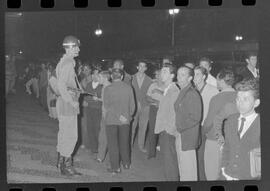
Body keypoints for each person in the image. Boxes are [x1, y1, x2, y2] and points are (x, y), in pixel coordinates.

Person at [220, 79, 260, 180]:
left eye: (245, 99)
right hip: (228, 176)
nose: (240, 103)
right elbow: (227, 147)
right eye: (238, 99)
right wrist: (223, 169)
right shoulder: (231, 120)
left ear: (256, 103)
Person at [55, 35, 82, 176]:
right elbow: (61, 85)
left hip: (63, 102)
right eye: (76, 47)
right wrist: (71, 102)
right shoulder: (68, 63)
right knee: (71, 136)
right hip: (67, 103)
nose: (78, 49)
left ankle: (60, 163)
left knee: (64, 134)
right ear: (70, 47)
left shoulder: (62, 61)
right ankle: (67, 167)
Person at [202, 69, 236, 180]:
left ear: (222, 81)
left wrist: (202, 132)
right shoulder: (239, 96)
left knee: (212, 171)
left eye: (217, 79)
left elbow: (209, 122)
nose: (216, 82)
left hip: (215, 139)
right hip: (233, 140)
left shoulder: (217, 98)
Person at [103, 68, 135, 174]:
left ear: (112, 77)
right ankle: (126, 164)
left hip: (111, 120)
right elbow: (133, 107)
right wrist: (128, 117)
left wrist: (118, 115)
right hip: (125, 121)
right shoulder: (129, 88)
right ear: (122, 77)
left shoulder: (108, 88)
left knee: (113, 144)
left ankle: (115, 167)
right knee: (124, 143)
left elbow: (107, 106)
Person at [174, 66, 202, 181]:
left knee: (188, 172)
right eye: (178, 74)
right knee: (183, 168)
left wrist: (180, 127)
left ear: (190, 78)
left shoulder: (192, 93)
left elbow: (196, 117)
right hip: (181, 134)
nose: (179, 77)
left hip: (187, 137)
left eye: (183, 75)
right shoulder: (183, 91)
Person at [154, 64, 180, 181]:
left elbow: (175, 114)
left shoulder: (174, 90)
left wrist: (168, 130)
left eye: (165, 72)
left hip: (168, 132)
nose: (161, 74)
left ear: (172, 75)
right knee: (167, 162)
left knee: (170, 163)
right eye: (161, 72)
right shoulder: (168, 89)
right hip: (164, 130)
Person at [193, 66, 219, 180]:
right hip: (193, 127)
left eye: (197, 74)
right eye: (193, 74)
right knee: (194, 156)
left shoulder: (213, 90)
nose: (194, 76)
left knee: (203, 157)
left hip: (206, 128)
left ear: (204, 76)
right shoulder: (192, 89)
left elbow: (216, 112)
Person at [131, 61, 153, 153]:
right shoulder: (131, 78)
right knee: (132, 126)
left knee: (143, 127)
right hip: (134, 106)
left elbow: (151, 94)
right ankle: (129, 144)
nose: (141, 68)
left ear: (146, 68)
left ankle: (141, 146)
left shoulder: (149, 80)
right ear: (137, 67)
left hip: (145, 106)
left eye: (144, 66)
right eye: (140, 66)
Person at [146, 69, 165, 159]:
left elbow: (170, 98)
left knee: (162, 131)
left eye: (158, 75)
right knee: (152, 130)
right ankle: (151, 153)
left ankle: (163, 151)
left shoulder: (167, 86)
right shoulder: (152, 85)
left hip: (163, 110)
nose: (156, 76)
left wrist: (160, 92)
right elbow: (147, 97)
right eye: (156, 74)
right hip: (153, 109)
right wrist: (155, 101)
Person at [83, 68, 103, 154]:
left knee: (97, 128)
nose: (95, 76)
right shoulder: (88, 84)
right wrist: (90, 100)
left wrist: (94, 100)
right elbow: (86, 96)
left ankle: (98, 146)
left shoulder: (102, 86)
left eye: (97, 75)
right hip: (89, 109)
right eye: (94, 74)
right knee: (89, 127)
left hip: (98, 110)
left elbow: (102, 99)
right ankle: (92, 147)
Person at [96, 71, 111, 163]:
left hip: (107, 116)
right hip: (105, 114)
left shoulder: (108, 87)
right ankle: (101, 156)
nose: (98, 79)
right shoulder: (105, 87)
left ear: (105, 78)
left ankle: (100, 157)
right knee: (103, 136)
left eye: (100, 77)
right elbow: (104, 99)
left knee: (103, 136)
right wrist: (98, 99)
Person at [79, 64, 92, 149]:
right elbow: (79, 93)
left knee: (93, 124)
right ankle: (84, 142)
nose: (86, 71)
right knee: (84, 124)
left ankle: (93, 142)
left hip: (94, 105)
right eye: (84, 70)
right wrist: (82, 101)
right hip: (85, 106)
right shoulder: (82, 81)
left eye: (88, 69)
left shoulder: (96, 78)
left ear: (90, 70)